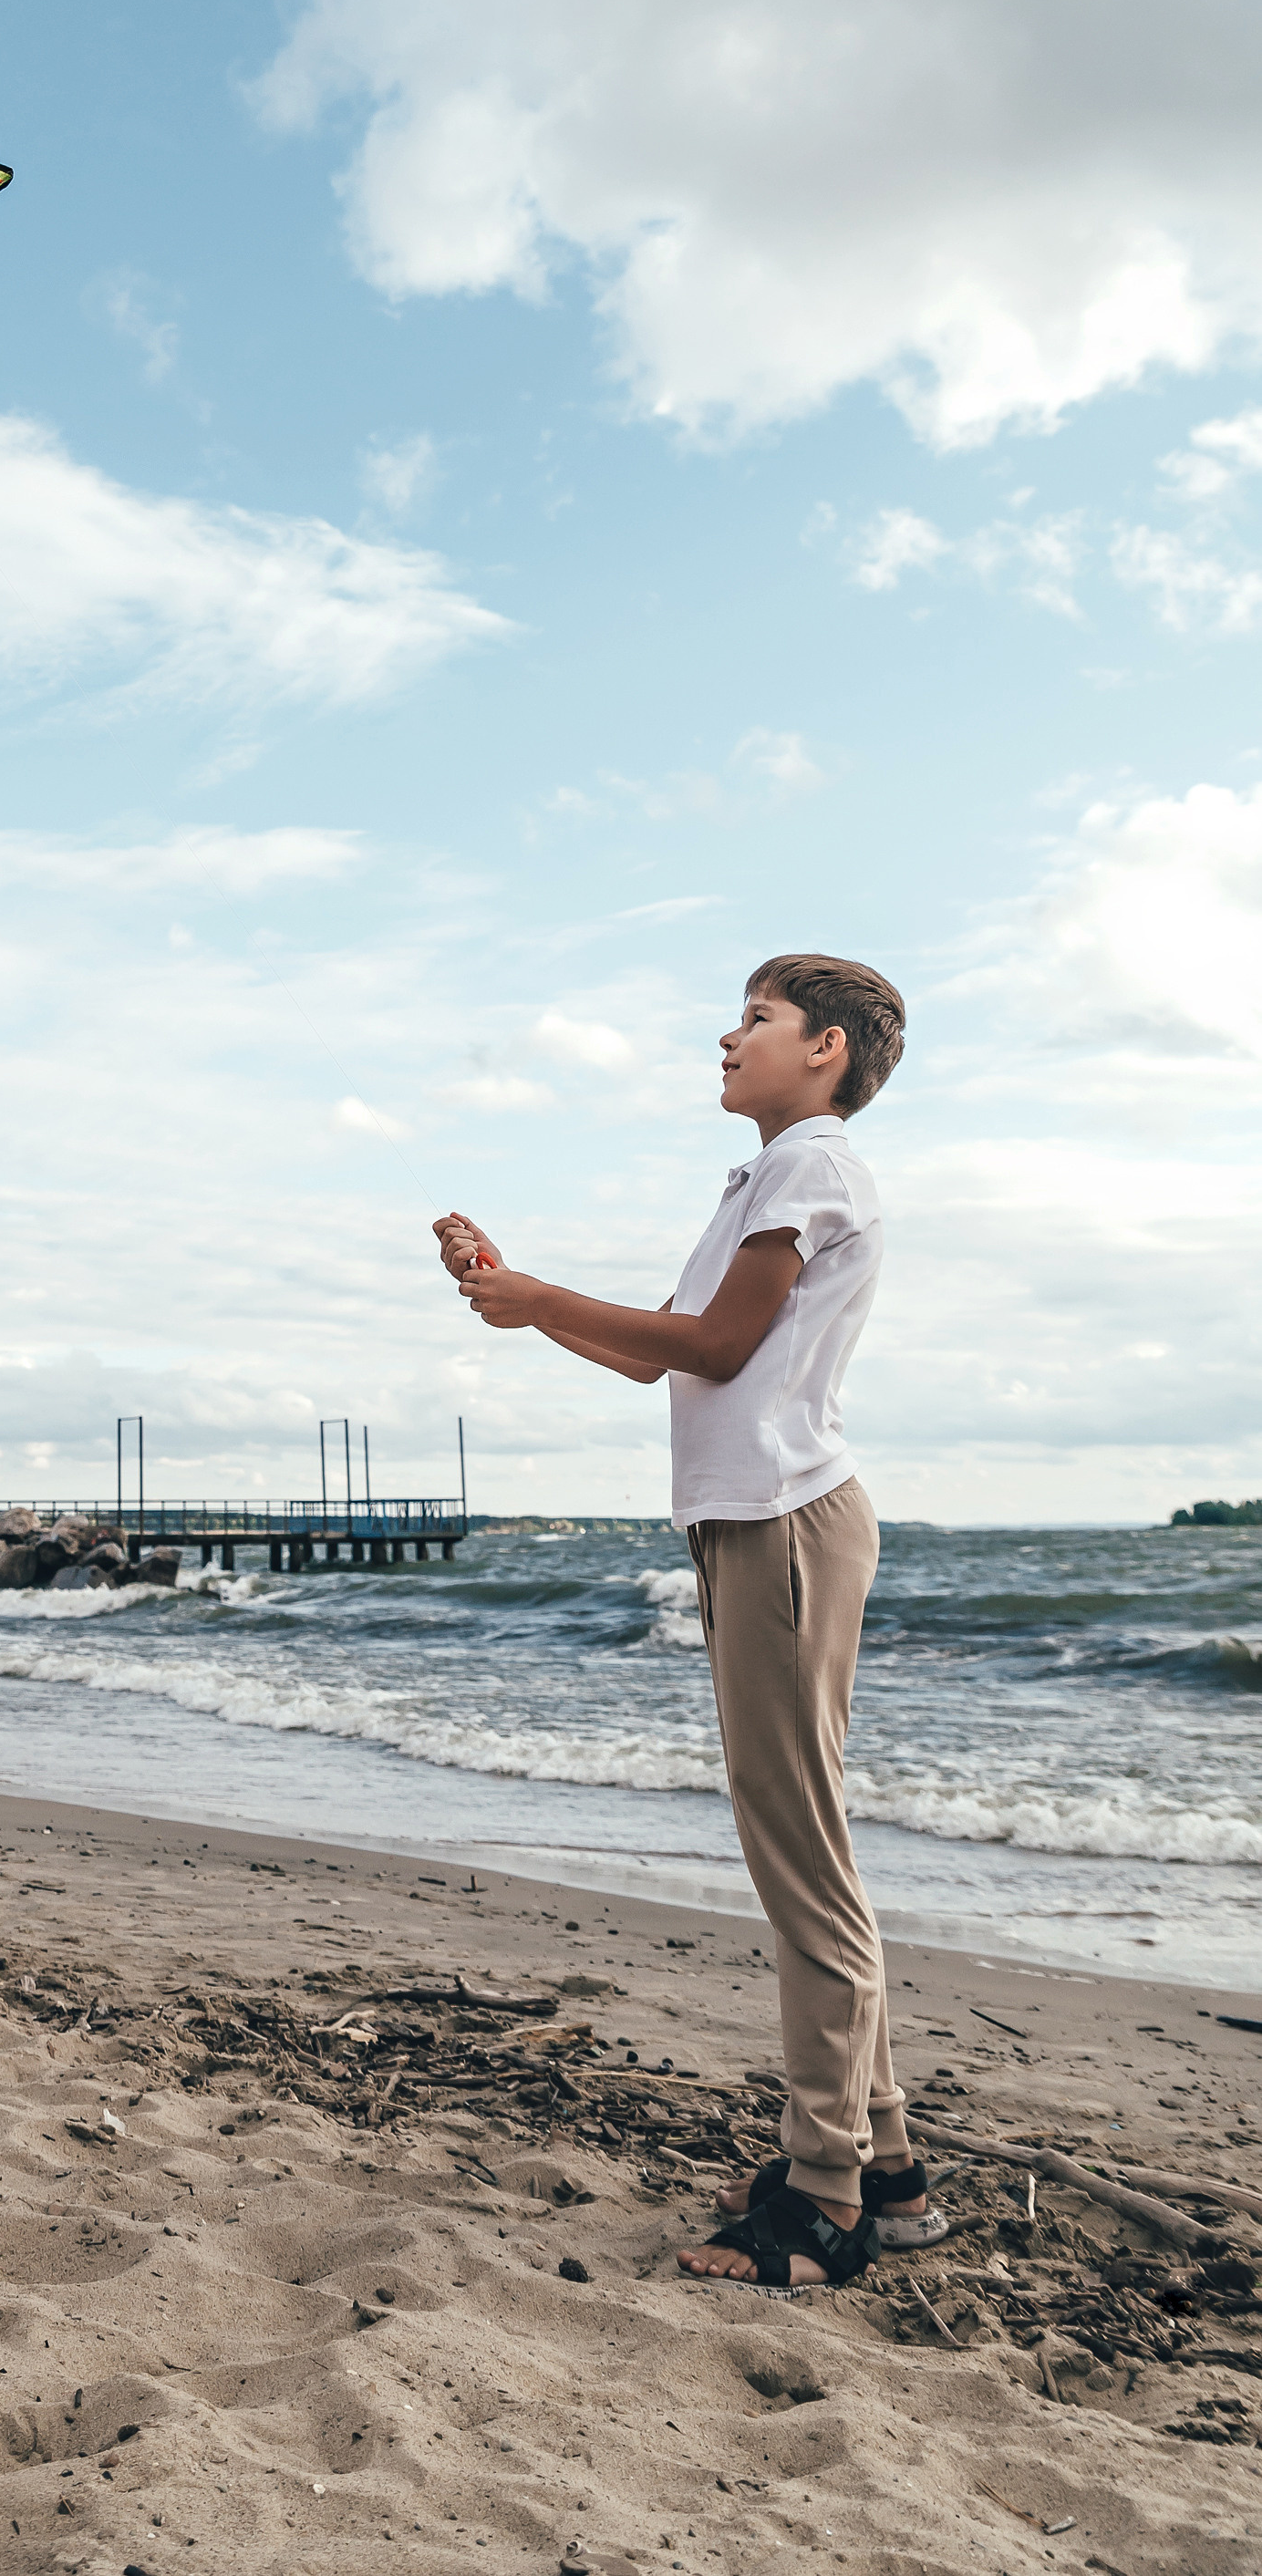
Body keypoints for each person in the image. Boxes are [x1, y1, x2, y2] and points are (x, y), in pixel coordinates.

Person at [434, 954, 940, 2292]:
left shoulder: (811, 1165)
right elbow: (668, 1346)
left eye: (758, 1019)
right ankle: (882, 2163)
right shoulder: (764, 1178)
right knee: (807, 1842)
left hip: (784, 1521)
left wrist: (537, 1297)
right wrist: (521, 1294)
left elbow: (715, 1348)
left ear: (825, 1048)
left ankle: (827, 2192)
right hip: (757, 1524)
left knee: (801, 1859)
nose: (730, 1035)